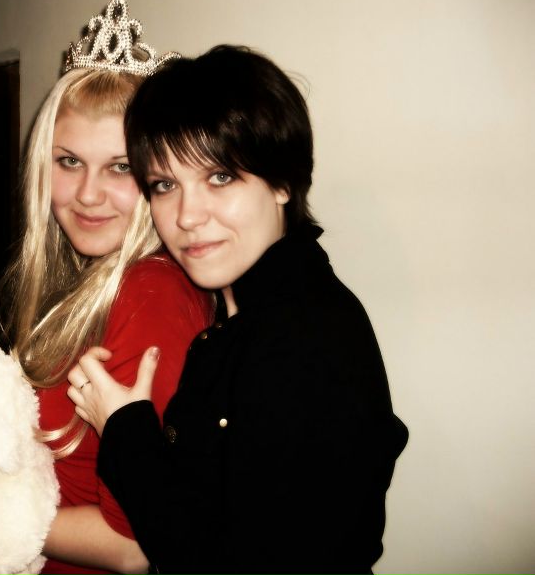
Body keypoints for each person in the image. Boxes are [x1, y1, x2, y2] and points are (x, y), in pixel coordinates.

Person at [68, 45, 409, 574]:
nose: (186, 216)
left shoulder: (305, 339)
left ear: (283, 182)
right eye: (165, 185)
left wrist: (124, 431)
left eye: (219, 177)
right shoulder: (235, 311)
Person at [0, 0, 212, 575]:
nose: (88, 194)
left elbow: (134, 547)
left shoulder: (150, 294)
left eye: (121, 167)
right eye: (69, 161)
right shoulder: (78, 280)